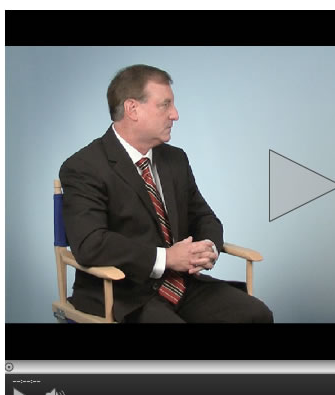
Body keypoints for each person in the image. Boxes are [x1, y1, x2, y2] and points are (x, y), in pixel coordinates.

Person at [60, 64, 273, 323]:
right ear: (132, 109)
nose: (175, 114)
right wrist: (167, 258)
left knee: (256, 315)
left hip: (181, 284)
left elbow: (204, 217)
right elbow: (91, 244)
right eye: (165, 105)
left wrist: (206, 248)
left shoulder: (175, 159)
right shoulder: (84, 167)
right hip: (121, 293)